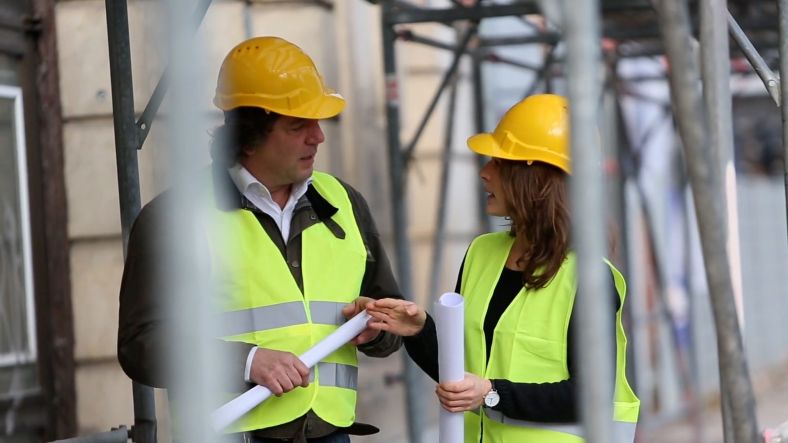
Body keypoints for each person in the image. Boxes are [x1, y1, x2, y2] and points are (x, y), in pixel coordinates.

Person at [117, 36, 403, 443]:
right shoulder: (176, 218)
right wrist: (246, 362)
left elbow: (388, 321)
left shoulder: (343, 202)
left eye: (317, 122)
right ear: (251, 132)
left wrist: (376, 330)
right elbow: (141, 343)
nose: (318, 137)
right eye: (298, 125)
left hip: (329, 433)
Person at [365, 94, 640, 442]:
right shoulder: (482, 253)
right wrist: (419, 331)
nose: (484, 172)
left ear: (537, 177)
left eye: (499, 161)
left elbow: (590, 395)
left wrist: (492, 393)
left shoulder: (589, 276)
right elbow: (462, 381)